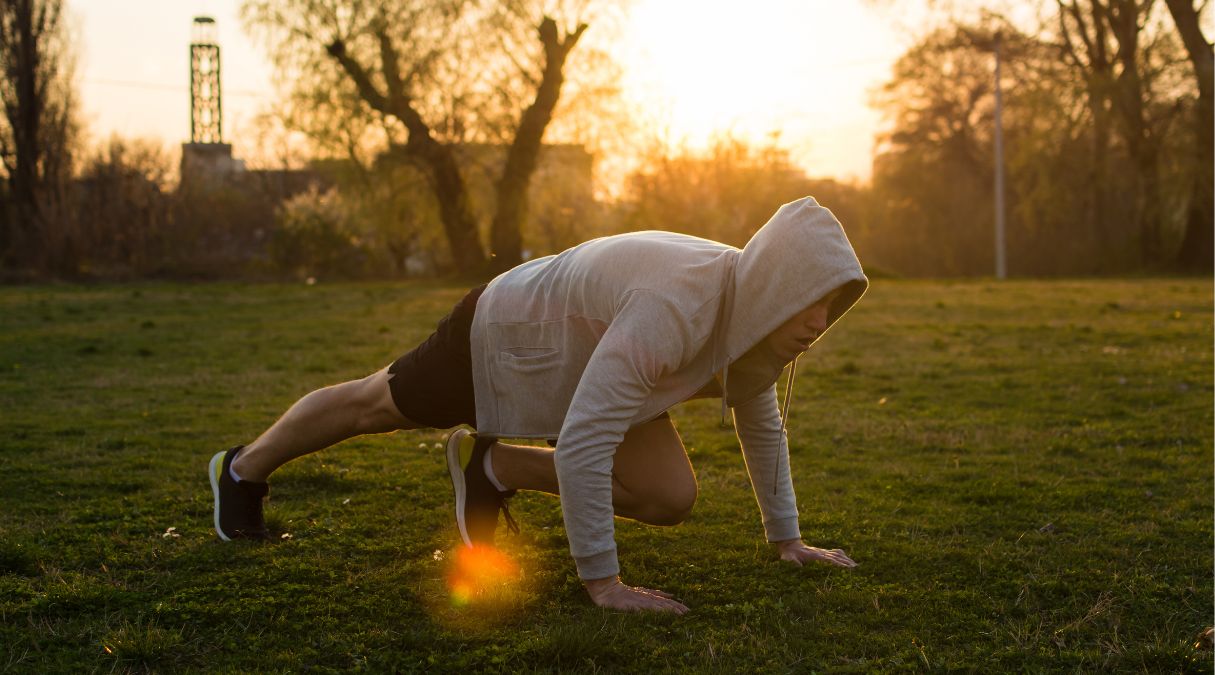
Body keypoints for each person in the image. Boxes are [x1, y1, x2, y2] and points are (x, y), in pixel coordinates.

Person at [209, 196, 868, 614]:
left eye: (830, 301)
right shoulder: (677, 305)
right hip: (506, 328)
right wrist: (603, 584)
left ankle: (493, 468)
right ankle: (242, 467)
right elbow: (585, 443)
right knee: (374, 404)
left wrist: (787, 538)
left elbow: (760, 419)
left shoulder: (757, 319)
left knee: (668, 495)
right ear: (773, 284)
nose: (817, 320)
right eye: (807, 297)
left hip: (596, 350)